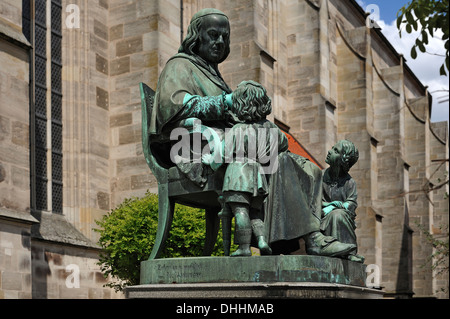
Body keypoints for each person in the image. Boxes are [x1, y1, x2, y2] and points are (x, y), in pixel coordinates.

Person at [149, 8, 237, 186]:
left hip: (221, 140)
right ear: (196, 36)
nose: (220, 42)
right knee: (259, 148)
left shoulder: (213, 74)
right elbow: (174, 104)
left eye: (224, 37)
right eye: (213, 35)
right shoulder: (178, 65)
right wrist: (225, 102)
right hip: (194, 145)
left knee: (279, 151)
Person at [202, 80, 288, 256]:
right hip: (259, 177)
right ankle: (262, 241)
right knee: (255, 214)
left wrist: (208, 160)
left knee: (240, 211)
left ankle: (244, 247)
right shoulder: (273, 129)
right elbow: (284, 146)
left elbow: (219, 158)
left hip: (238, 174)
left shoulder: (238, 129)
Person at [321, 140, 364, 262]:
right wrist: (329, 205)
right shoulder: (320, 176)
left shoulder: (350, 183)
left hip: (341, 217)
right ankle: (341, 251)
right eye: (332, 148)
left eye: (335, 151)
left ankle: (347, 252)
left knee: (338, 215)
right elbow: (313, 200)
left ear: (342, 161)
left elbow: (352, 203)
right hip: (322, 216)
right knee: (336, 215)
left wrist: (342, 206)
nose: (329, 152)